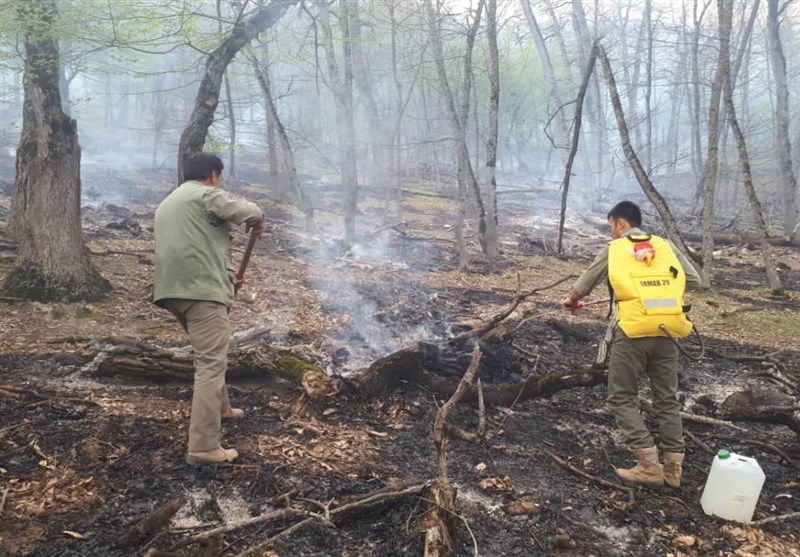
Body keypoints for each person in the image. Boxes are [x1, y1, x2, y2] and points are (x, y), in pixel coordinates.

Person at [562, 201, 701, 488]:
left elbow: (585, 284)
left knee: (620, 396)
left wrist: (572, 301)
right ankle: (673, 471)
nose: (611, 231)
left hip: (634, 330)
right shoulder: (665, 245)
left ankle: (649, 465)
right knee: (666, 400)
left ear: (620, 223)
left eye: (611, 225)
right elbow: (695, 280)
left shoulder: (614, 249)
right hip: (669, 330)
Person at [154, 153, 265, 466]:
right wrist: (260, 215)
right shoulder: (205, 194)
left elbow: (195, 246)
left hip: (173, 291)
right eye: (220, 177)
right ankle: (203, 448)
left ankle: (222, 409)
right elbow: (246, 210)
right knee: (210, 365)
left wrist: (228, 279)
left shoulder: (170, 202)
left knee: (211, 354)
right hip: (200, 291)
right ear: (214, 175)